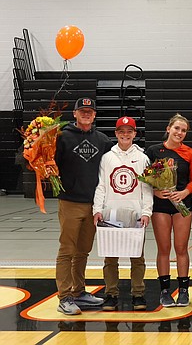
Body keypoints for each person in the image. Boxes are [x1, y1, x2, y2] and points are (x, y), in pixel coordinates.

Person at [54, 97, 113, 315]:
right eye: (82, 111)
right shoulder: (61, 137)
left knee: (83, 251)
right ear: (75, 114)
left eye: (90, 111)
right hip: (70, 201)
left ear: (95, 115)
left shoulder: (102, 140)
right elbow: (49, 163)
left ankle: (78, 292)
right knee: (66, 250)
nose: (86, 114)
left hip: (93, 204)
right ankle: (64, 296)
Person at [93, 116, 152, 311]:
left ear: (135, 134)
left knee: (137, 257)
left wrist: (146, 211)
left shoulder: (143, 158)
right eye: (121, 131)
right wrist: (97, 210)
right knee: (110, 257)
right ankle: (111, 294)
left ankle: (138, 294)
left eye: (129, 131)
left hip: (135, 213)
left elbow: (147, 188)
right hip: (111, 212)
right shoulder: (107, 157)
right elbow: (101, 185)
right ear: (116, 134)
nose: (125, 135)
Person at [146, 114, 192, 308]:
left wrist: (185, 192)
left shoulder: (190, 153)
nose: (180, 133)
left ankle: (184, 290)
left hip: (182, 205)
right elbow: (146, 178)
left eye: (184, 130)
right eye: (177, 128)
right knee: (164, 249)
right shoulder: (153, 151)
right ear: (168, 129)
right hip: (161, 206)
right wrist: (155, 191)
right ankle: (165, 291)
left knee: (181, 248)